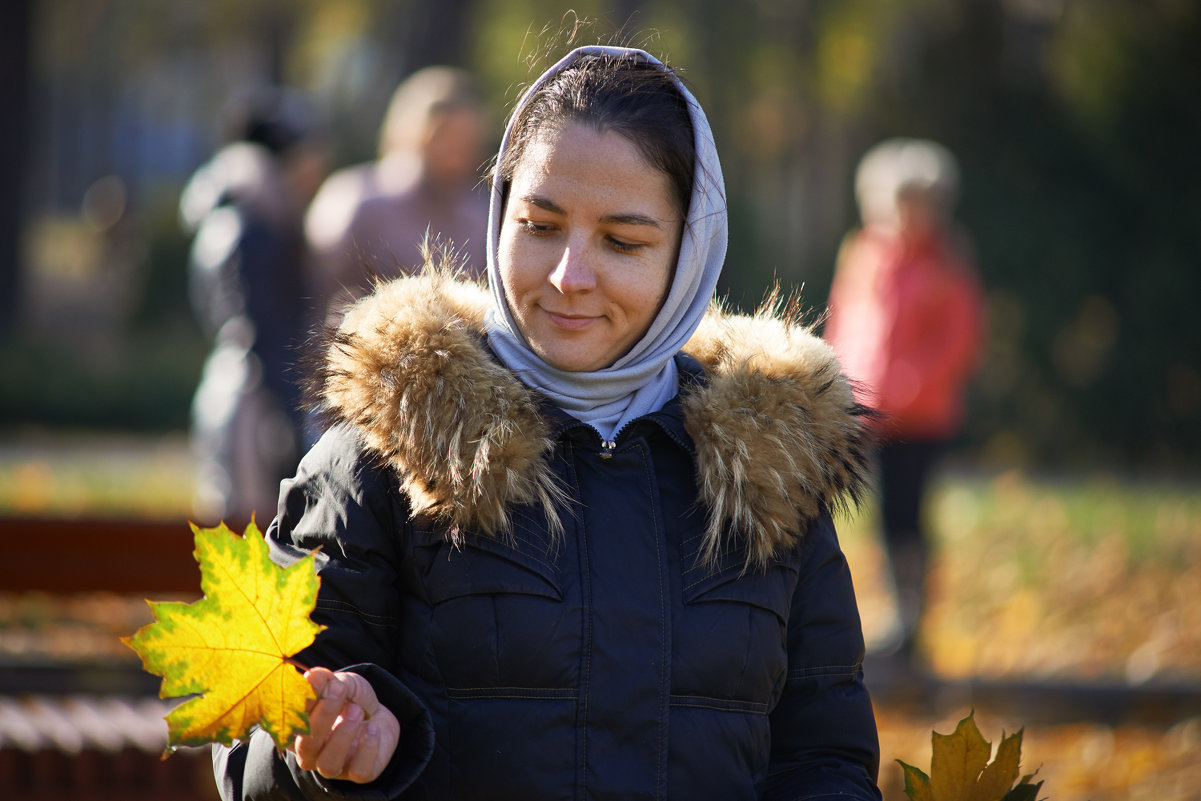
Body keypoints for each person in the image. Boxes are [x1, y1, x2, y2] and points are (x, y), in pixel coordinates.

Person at [214, 45, 882, 800]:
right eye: (539, 225)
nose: (568, 275)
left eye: (623, 242)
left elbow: (826, 759)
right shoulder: (382, 448)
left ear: (689, 253)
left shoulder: (770, 466)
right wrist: (323, 754)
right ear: (500, 216)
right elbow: (250, 754)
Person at [824, 138, 986, 667]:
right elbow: (846, 320)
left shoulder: (945, 262)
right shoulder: (866, 251)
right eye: (904, 199)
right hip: (868, 408)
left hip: (922, 415)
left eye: (925, 201)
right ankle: (885, 615)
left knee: (906, 513)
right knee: (874, 516)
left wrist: (916, 382)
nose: (914, 212)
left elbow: (961, 338)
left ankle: (911, 621)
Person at [181, 87, 329, 524]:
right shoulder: (250, 227)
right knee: (251, 540)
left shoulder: (238, 215)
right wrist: (290, 415)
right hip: (252, 405)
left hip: (243, 393)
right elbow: (259, 330)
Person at [305, 65, 490, 326]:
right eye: (445, 138)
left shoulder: (481, 216)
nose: (457, 154)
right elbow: (318, 303)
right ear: (413, 131)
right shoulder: (355, 202)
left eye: (467, 141)